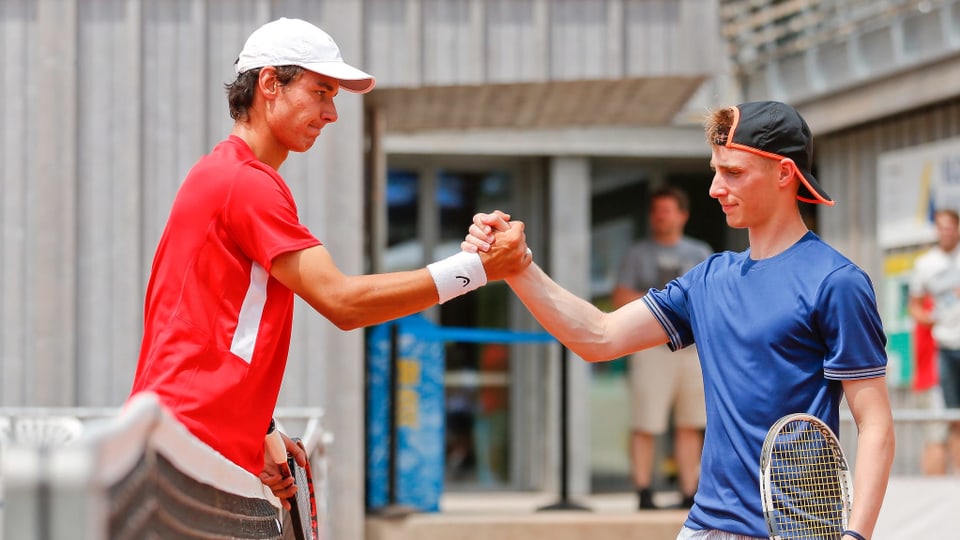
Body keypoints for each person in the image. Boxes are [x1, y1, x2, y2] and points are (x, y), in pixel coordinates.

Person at [127, 17, 531, 505]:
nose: (332, 112)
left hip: (186, 449)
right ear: (270, 83)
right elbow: (343, 303)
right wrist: (480, 269)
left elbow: (217, 329)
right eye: (321, 91)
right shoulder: (247, 183)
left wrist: (262, 434)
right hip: (189, 453)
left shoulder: (228, 176)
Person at [465, 101, 895, 540]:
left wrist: (856, 536)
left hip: (794, 531)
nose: (714, 188)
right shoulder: (708, 278)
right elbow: (598, 336)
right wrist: (517, 266)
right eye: (715, 170)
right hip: (703, 527)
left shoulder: (837, 283)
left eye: (733, 172)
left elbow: (875, 423)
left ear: (784, 173)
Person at [611, 186, 712, 510]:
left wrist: (654, 302)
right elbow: (620, 298)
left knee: (690, 423)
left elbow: (710, 298)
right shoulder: (637, 253)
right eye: (656, 211)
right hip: (651, 350)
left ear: (682, 215)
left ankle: (688, 493)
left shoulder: (700, 252)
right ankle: (643, 492)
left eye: (667, 210)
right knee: (646, 422)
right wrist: (675, 306)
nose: (660, 216)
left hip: (692, 352)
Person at [908, 208, 960, 474]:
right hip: (942, 350)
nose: (945, 232)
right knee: (942, 422)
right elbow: (914, 307)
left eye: (950, 226)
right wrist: (931, 319)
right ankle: (937, 490)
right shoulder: (926, 264)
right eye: (940, 227)